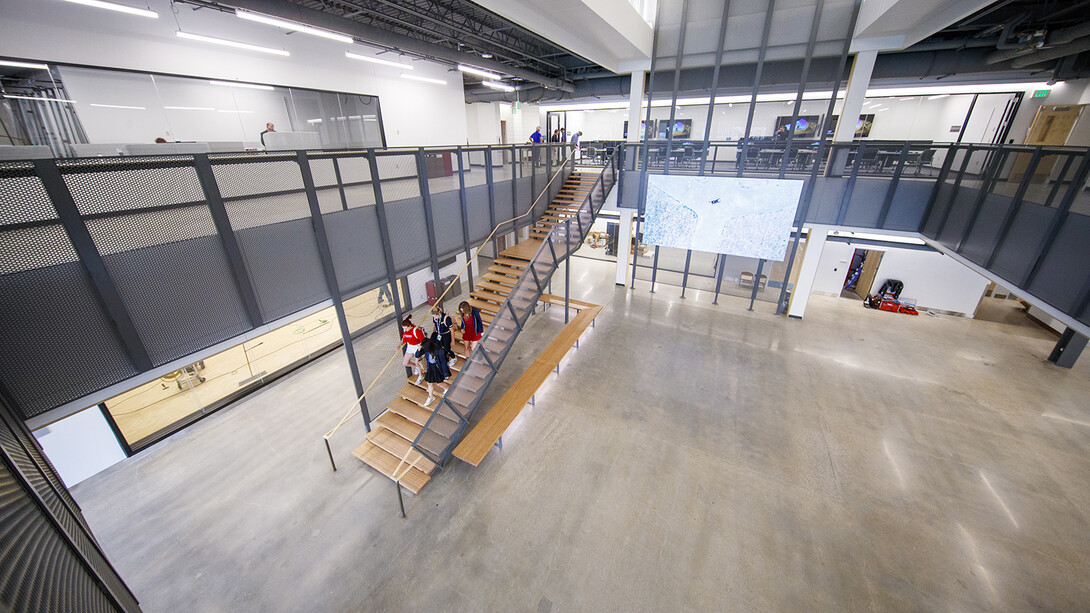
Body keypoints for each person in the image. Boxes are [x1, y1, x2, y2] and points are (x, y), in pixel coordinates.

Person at [414, 337, 452, 406]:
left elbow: (443, 363)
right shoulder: (426, 349)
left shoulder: (439, 351)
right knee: (429, 383)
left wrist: (446, 373)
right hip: (430, 367)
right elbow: (417, 355)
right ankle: (430, 397)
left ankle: (447, 389)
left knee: (439, 383)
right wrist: (419, 349)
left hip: (437, 368)